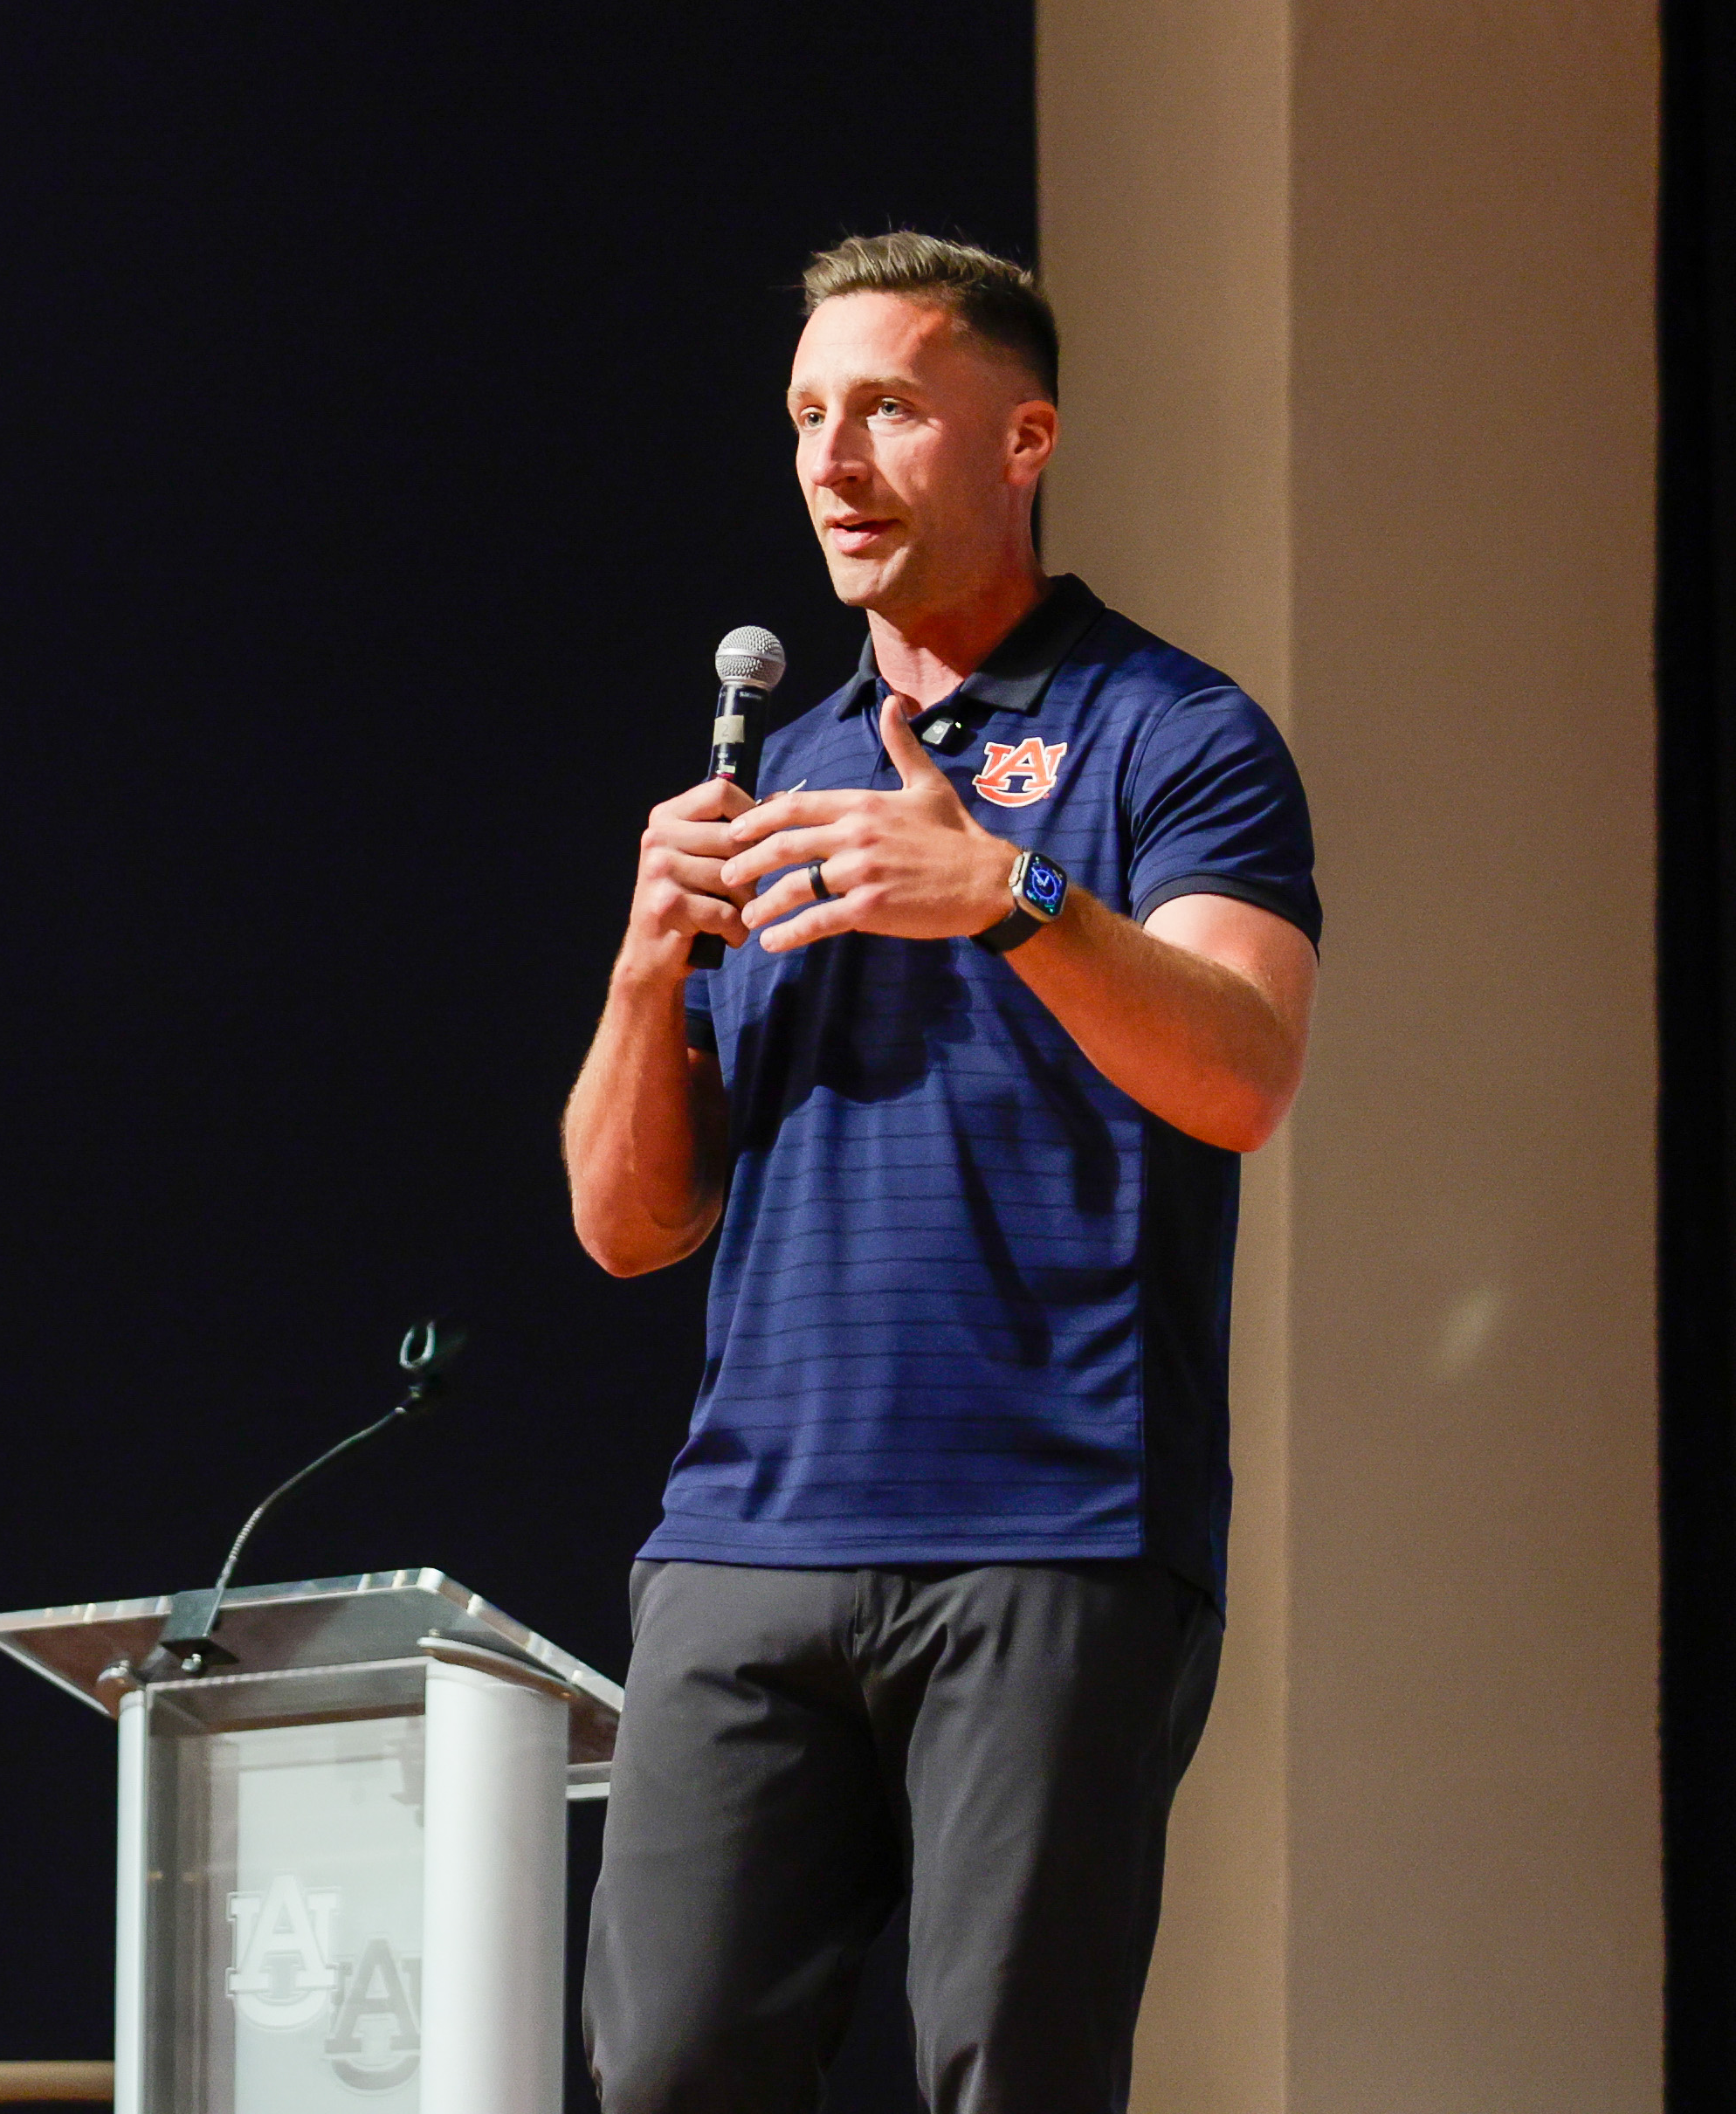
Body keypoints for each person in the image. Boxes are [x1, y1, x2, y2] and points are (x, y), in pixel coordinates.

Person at [561, 232, 1319, 2113]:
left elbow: (1243, 1072)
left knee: (1011, 2070)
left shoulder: (1176, 732)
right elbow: (628, 1223)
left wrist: (1010, 891)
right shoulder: (776, 779)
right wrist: (647, 964)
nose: (832, 460)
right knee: (666, 2069)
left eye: (890, 408)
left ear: (1024, 437)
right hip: (748, 1532)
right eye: (808, 415)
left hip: (1050, 1521)